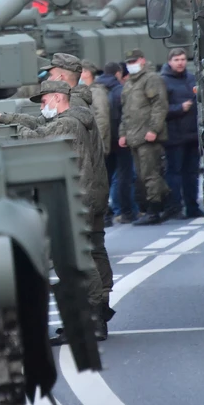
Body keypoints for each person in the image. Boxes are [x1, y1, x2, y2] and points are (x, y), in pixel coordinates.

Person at [0, 79, 111, 341]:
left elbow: (38, 135)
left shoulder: (68, 123)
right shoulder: (75, 118)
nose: (42, 107)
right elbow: (41, 124)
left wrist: (13, 126)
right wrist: (5, 116)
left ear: (56, 97)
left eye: (43, 101)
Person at [65, 84, 115, 339]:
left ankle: (93, 315)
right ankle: (100, 308)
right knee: (94, 248)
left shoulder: (71, 115)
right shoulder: (82, 109)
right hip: (95, 189)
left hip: (83, 192)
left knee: (81, 254)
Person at [119, 48, 173, 225]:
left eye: (134, 61)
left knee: (150, 174)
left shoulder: (152, 79)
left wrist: (154, 129)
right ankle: (170, 202)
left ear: (142, 60)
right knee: (142, 176)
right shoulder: (129, 84)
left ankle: (154, 211)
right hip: (134, 136)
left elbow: (159, 105)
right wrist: (123, 133)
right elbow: (125, 112)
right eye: (129, 63)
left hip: (148, 136)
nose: (131, 65)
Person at [160, 48, 202, 218]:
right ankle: (175, 206)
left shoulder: (191, 79)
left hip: (192, 134)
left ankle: (193, 207)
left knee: (192, 174)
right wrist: (179, 108)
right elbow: (159, 109)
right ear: (170, 61)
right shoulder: (163, 81)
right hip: (174, 135)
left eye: (183, 59)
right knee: (174, 173)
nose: (180, 62)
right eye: (177, 59)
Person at [97, 62, 138, 224]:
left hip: (103, 141)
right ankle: (126, 212)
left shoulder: (95, 90)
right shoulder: (120, 90)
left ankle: (106, 214)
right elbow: (127, 116)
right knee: (124, 177)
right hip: (120, 141)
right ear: (118, 73)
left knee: (104, 179)